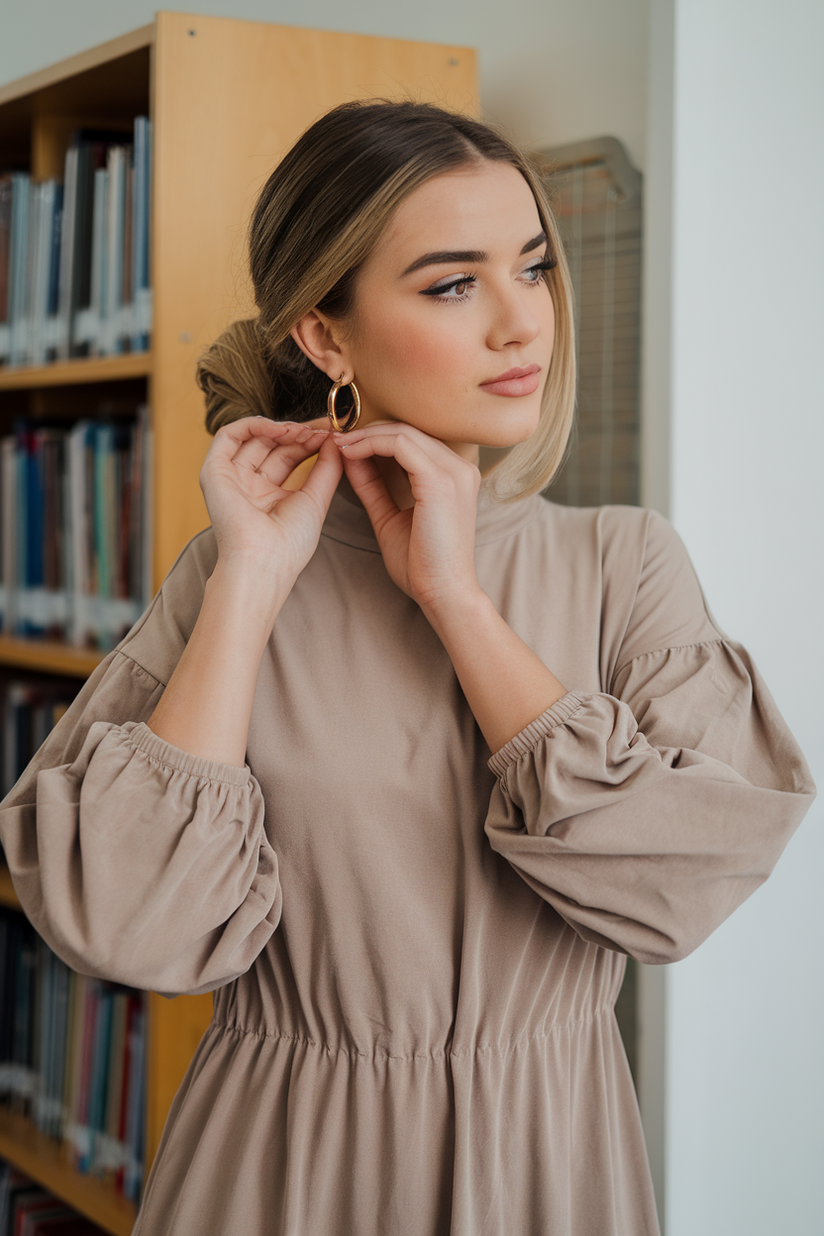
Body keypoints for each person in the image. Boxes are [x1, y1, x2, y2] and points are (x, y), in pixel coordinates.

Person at [0, 100, 815, 1236]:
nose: (518, 324)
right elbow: (131, 928)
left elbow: (685, 884)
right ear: (324, 338)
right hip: (280, 1173)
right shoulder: (229, 576)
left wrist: (454, 595)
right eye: (450, 284)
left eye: (529, 269)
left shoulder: (622, 561)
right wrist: (250, 579)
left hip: (550, 1167)